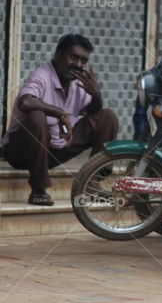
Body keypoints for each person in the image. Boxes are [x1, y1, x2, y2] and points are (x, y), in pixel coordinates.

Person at [2, 34, 118, 206]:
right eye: (74, 57)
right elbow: (25, 101)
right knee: (36, 116)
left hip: (55, 150)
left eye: (83, 61)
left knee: (107, 116)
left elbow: (93, 113)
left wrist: (96, 95)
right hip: (21, 152)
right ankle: (38, 189)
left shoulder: (76, 83)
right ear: (57, 55)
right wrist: (60, 113)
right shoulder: (42, 75)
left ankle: (93, 183)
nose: (78, 65)